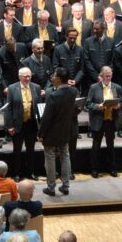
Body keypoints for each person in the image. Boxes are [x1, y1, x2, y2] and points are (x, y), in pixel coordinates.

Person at [39, 67, 78, 196]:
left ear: (59, 79)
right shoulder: (73, 91)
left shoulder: (53, 95)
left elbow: (46, 118)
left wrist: (40, 134)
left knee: (50, 158)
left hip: (51, 132)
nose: (51, 77)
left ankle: (51, 188)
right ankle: (65, 186)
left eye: (54, 75)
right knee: (65, 156)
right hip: (66, 130)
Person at [5, 67, 41, 180]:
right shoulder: (12, 88)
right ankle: (16, 173)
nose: (28, 78)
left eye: (29, 76)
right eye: (25, 76)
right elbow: (8, 108)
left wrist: (40, 125)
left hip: (31, 124)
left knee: (31, 150)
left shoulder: (36, 87)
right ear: (19, 77)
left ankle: (30, 172)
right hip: (18, 124)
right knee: (17, 150)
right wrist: (9, 125)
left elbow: (39, 107)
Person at [86, 66, 122, 177]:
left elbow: (121, 101)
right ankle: (94, 169)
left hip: (111, 121)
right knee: (96, 146)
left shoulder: (117, 87)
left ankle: (112, 168)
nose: (108, 78)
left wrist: (118, 105)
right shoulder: (94, 87)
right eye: (106, 76)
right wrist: (99, 106)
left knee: (110, 145)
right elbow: (88, 104)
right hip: (98, 120)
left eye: (110, 76)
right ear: (101, 76)